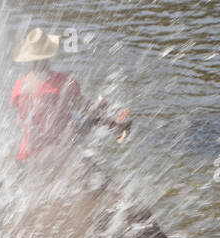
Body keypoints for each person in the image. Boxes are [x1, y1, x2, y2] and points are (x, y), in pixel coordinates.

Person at [9, 28, 131, 166]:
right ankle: (116, 127)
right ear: (50, 55)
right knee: (94, 114)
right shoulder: (64, 83)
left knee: (77, 123)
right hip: (60, 154)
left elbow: (31, 120)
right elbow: (88, 110)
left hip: (27, 158)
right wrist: (99, 107)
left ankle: (112, 125)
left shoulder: (19, 87)